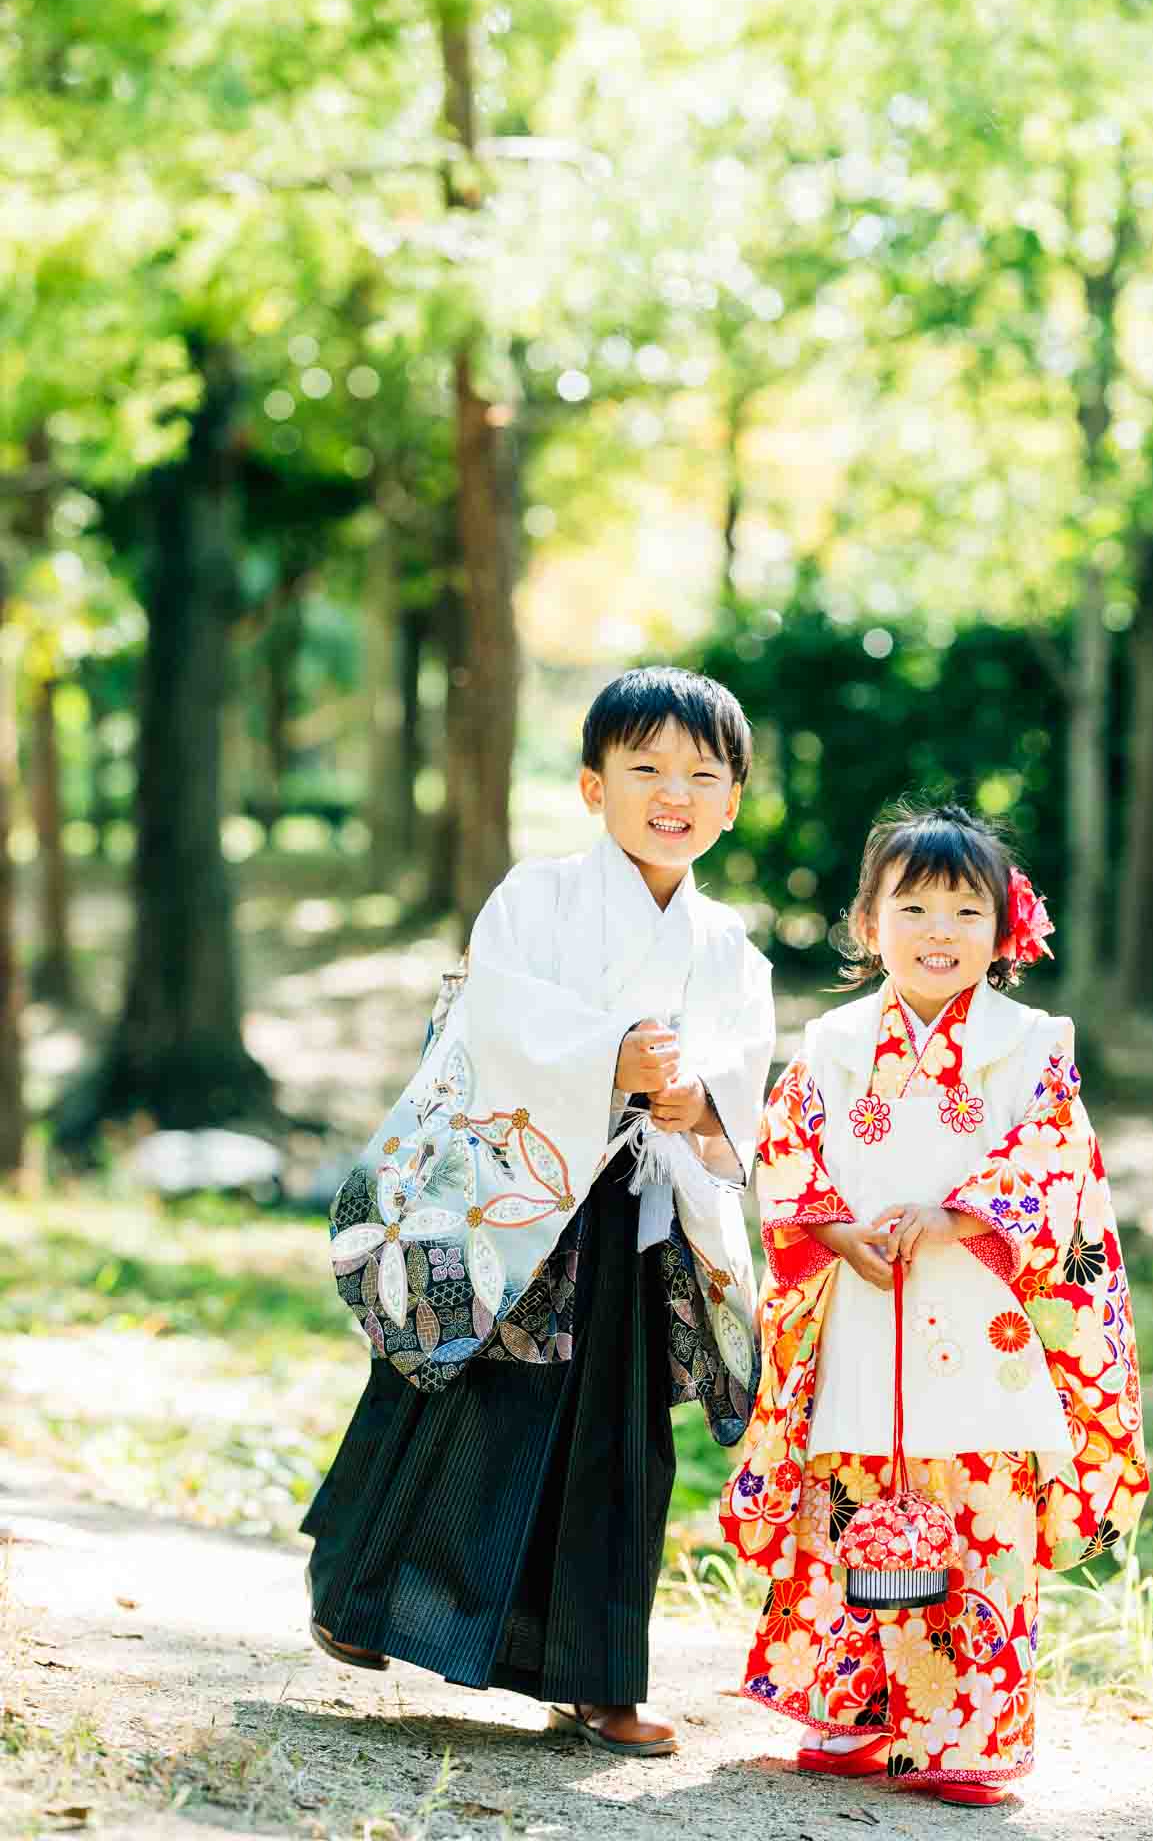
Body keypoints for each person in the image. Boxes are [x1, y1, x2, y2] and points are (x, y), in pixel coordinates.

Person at [304, 667, 775, 1758]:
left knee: (618, 1441)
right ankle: (360, 1600)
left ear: (733, 800)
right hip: (510, 1194)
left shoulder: (730, 948)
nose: (674, 792)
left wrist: (699, 1096)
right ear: (589, 785)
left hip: (637, 1215)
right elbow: (489, 1021)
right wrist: (605, 1054)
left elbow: (745, 1074)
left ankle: (598, 1677)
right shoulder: (536, 896)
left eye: (703, 774)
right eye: (645, 767)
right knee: (461, 1389)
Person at [720, 802, 1148, 1802]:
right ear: (869, 923)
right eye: (912, 905)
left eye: (965, 909)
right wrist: (834, 1232)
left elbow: (1055, 1160)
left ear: (1004, 930)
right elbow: (789, 1156)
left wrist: (958, 1214)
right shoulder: (830, 1040)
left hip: (979, 1313)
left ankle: (966, 1733)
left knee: (979, 1516)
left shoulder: (1032, 1042)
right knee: (853, 1501)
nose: (938, 930)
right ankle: (852, 1710)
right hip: (862, 1305)